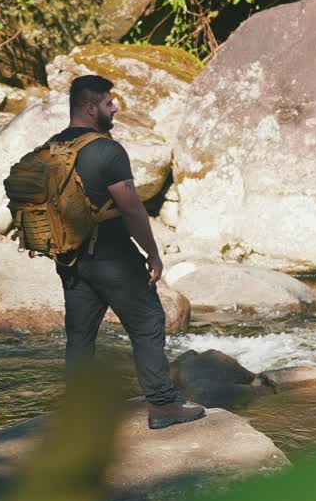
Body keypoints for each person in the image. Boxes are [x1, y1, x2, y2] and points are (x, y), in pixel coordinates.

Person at [49, 75, 205, 430]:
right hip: (112, 257)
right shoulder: (107, 150)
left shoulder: (52, 147)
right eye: (108, 102)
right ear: (90, 108)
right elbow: (132, 208)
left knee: (80, 337)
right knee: (148, 321)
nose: (115, 107)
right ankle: (163, 406)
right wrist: (153, 253)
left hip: (70, 259)